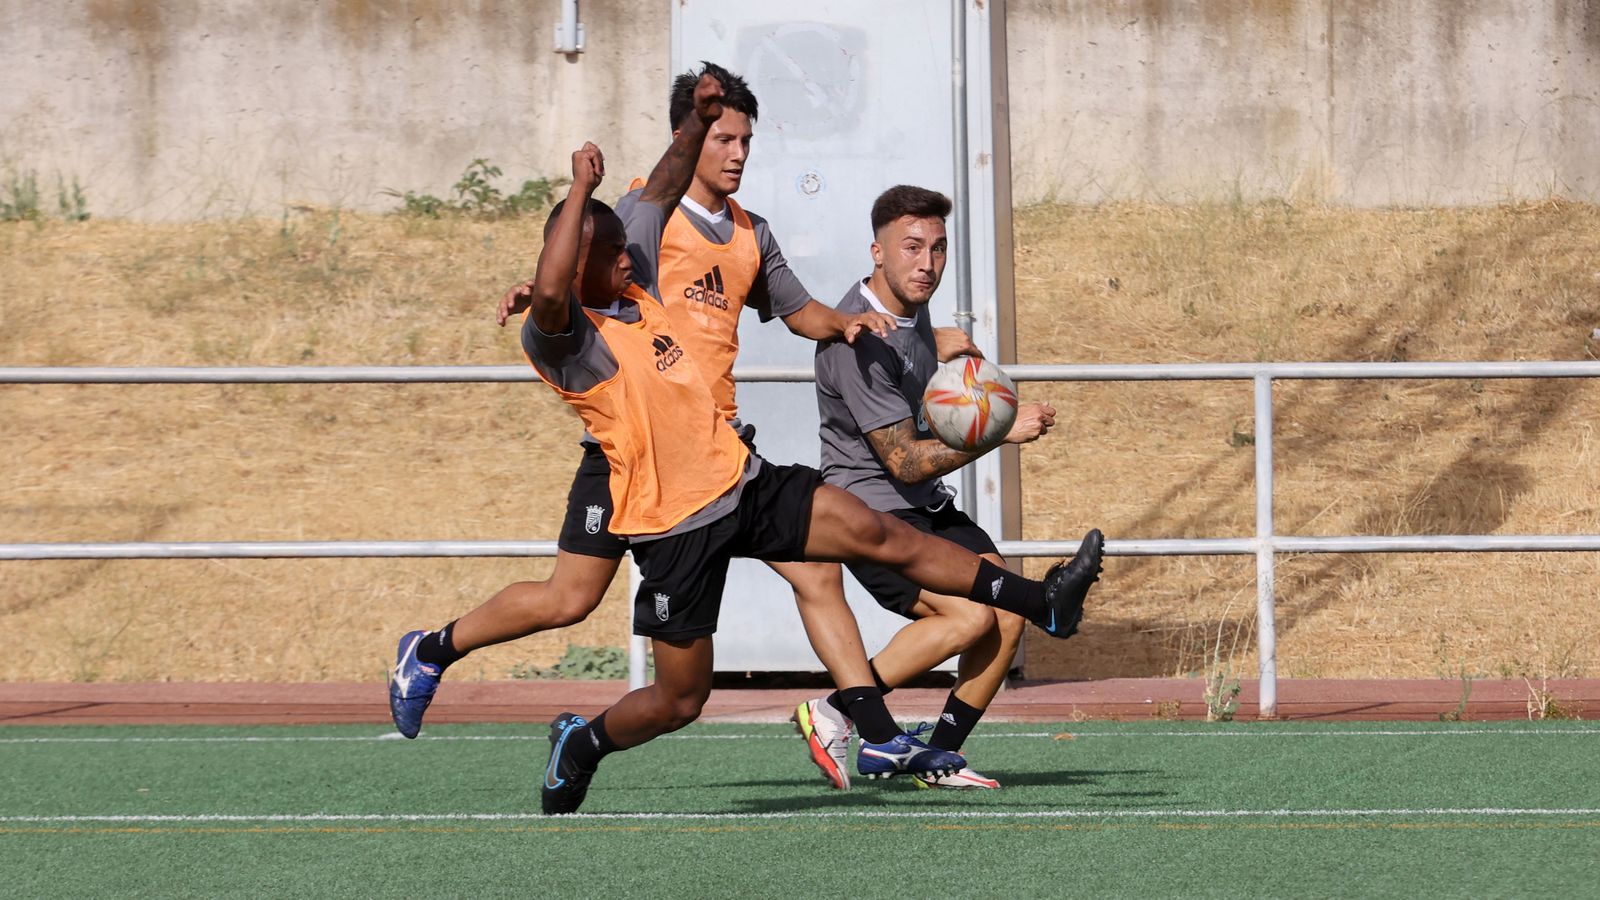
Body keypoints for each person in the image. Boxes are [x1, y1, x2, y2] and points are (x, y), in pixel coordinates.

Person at [517, 131, 1103, 814]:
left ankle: (1044, 602)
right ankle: (583, 745)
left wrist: (699, 122)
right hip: (671, 522)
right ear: (574, 265)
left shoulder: (636, 292)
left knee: (876, 532)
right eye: (611, 252)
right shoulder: (561, 337)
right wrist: (580, 191)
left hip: (742, 479)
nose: (630, 258)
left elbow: (656, 196)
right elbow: (557, 289)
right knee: (679, 699)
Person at [388, 63, 895, 741]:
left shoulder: (752, 232)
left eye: (746, 139)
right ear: (693, 136)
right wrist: (540, 286)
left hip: (714, 453)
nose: (738, 152)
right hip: (629, 454)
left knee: (816, 573)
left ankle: (876, 731)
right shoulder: (643, 218)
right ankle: (432, 651)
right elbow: (579, 269)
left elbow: (799, 310)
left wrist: (846, 323)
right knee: (568, 600)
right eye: (722, 137)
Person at [794, 185, 1073, 791]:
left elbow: (911, 354)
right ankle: (838, 710)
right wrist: (996, 429)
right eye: (912, 247)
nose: (927, 263)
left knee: (1008, 617)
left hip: (925, 508)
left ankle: (937, 757)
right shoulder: (860, 343)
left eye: (939, 249)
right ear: (876, 251)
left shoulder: (906, 315)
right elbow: (903, 462)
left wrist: (936, 341)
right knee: (971, 619)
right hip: (874, 513)